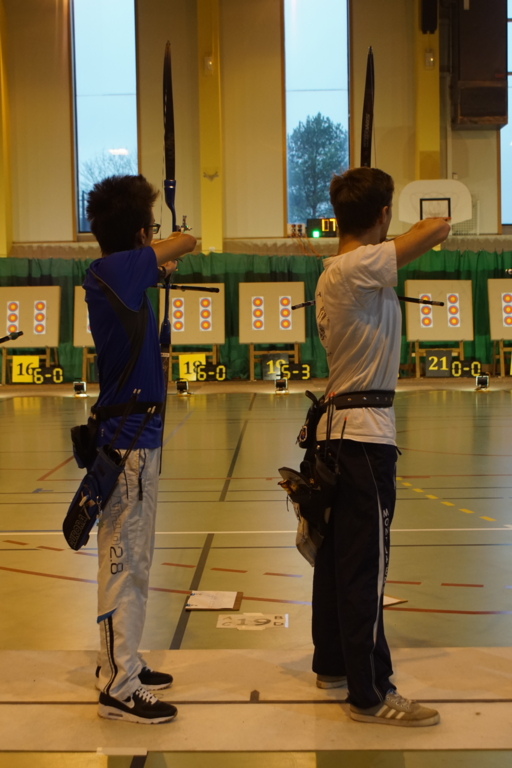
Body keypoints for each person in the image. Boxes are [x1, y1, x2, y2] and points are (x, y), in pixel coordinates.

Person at [312, 167, 450, 727]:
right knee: (365, 566)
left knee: (337, 559)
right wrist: (391, 225)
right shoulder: (356, 266)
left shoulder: (338, 270)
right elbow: (437, 227)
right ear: (383, 214)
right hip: (363, 438)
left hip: (342, 433)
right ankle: (370, 693)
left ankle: (333, 664)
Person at [83, 174, 196, 724]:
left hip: (138, 439)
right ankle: (117, 685)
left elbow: (161, 259)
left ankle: (126, 661)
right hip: (125, 444)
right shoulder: (112, 271)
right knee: (122, 563)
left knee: (138, 561)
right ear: (137, 235)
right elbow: (186, 242)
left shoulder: (123, 275)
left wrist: (154, 259)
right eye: (149, 227)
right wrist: (163, 247)